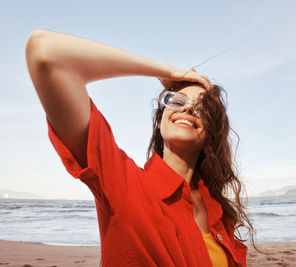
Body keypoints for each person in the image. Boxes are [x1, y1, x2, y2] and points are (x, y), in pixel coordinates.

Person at [25, 29, 261, 267]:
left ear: (212, 131)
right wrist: (165, 71)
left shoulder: (218, 210)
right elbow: (45, 50)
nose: (188, 109)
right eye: (176, 100)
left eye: (202, 108)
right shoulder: (124, 185)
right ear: (160, 122)